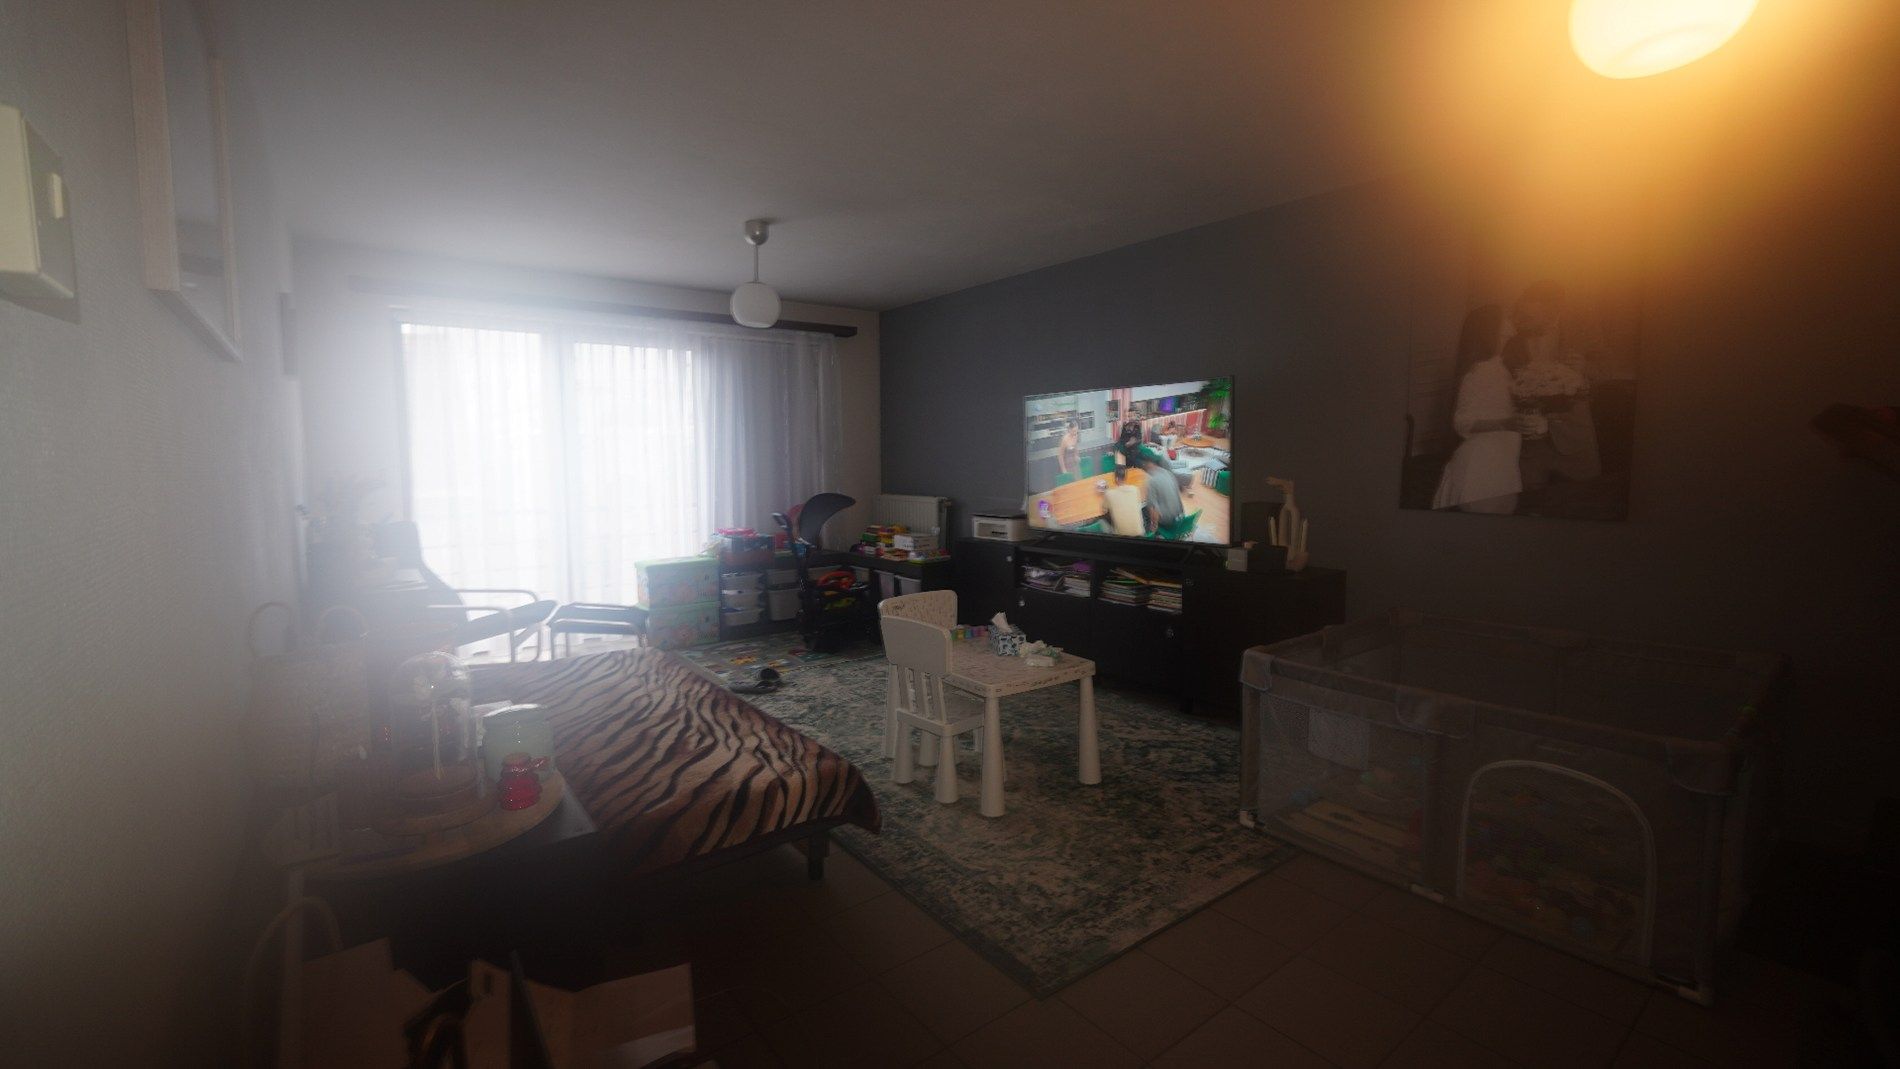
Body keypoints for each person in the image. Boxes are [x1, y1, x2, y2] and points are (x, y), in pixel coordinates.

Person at [1432, 305, 1533, 514]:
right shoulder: (1480, 371)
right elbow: (1462, 423)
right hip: (1482, 466)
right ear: (1492, 327)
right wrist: (1507, 423)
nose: (1512, 318)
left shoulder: (1500, 367)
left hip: (1503, 460)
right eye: (1505, 316)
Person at [1511, 280, 1601, 489]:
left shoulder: (1581, 331)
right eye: (1522, 313)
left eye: (1530, 317)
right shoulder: (1512, 340)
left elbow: (1606, 367)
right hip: (1529, 444)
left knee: (1586, 499)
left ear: (1552, 313)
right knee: (1530, 503)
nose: (1521, 321)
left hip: (1574, 438)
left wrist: (1585, 367)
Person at [1132, 445, 1187, 533]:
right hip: (1180, 517)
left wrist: (1154, 526)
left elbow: (1153, 509)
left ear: (1145, 464)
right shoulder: (1167, 473)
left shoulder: (1152, 481)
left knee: (1143, 510)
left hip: (1168, 521)